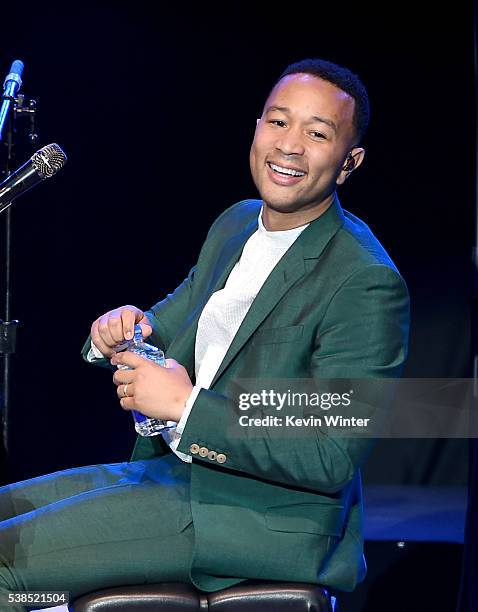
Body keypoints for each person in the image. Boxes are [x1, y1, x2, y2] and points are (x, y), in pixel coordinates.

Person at [0, 58, 409, 608]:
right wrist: (118, 332)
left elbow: (329, 450)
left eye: (317, 133)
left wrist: (187, 406)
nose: (289, 146)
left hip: (253, 516)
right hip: (170, 474)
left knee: (8, 563)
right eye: (277, 122)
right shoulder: (237, 223)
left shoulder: (365, 279)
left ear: (348, 161)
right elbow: (168, 321)